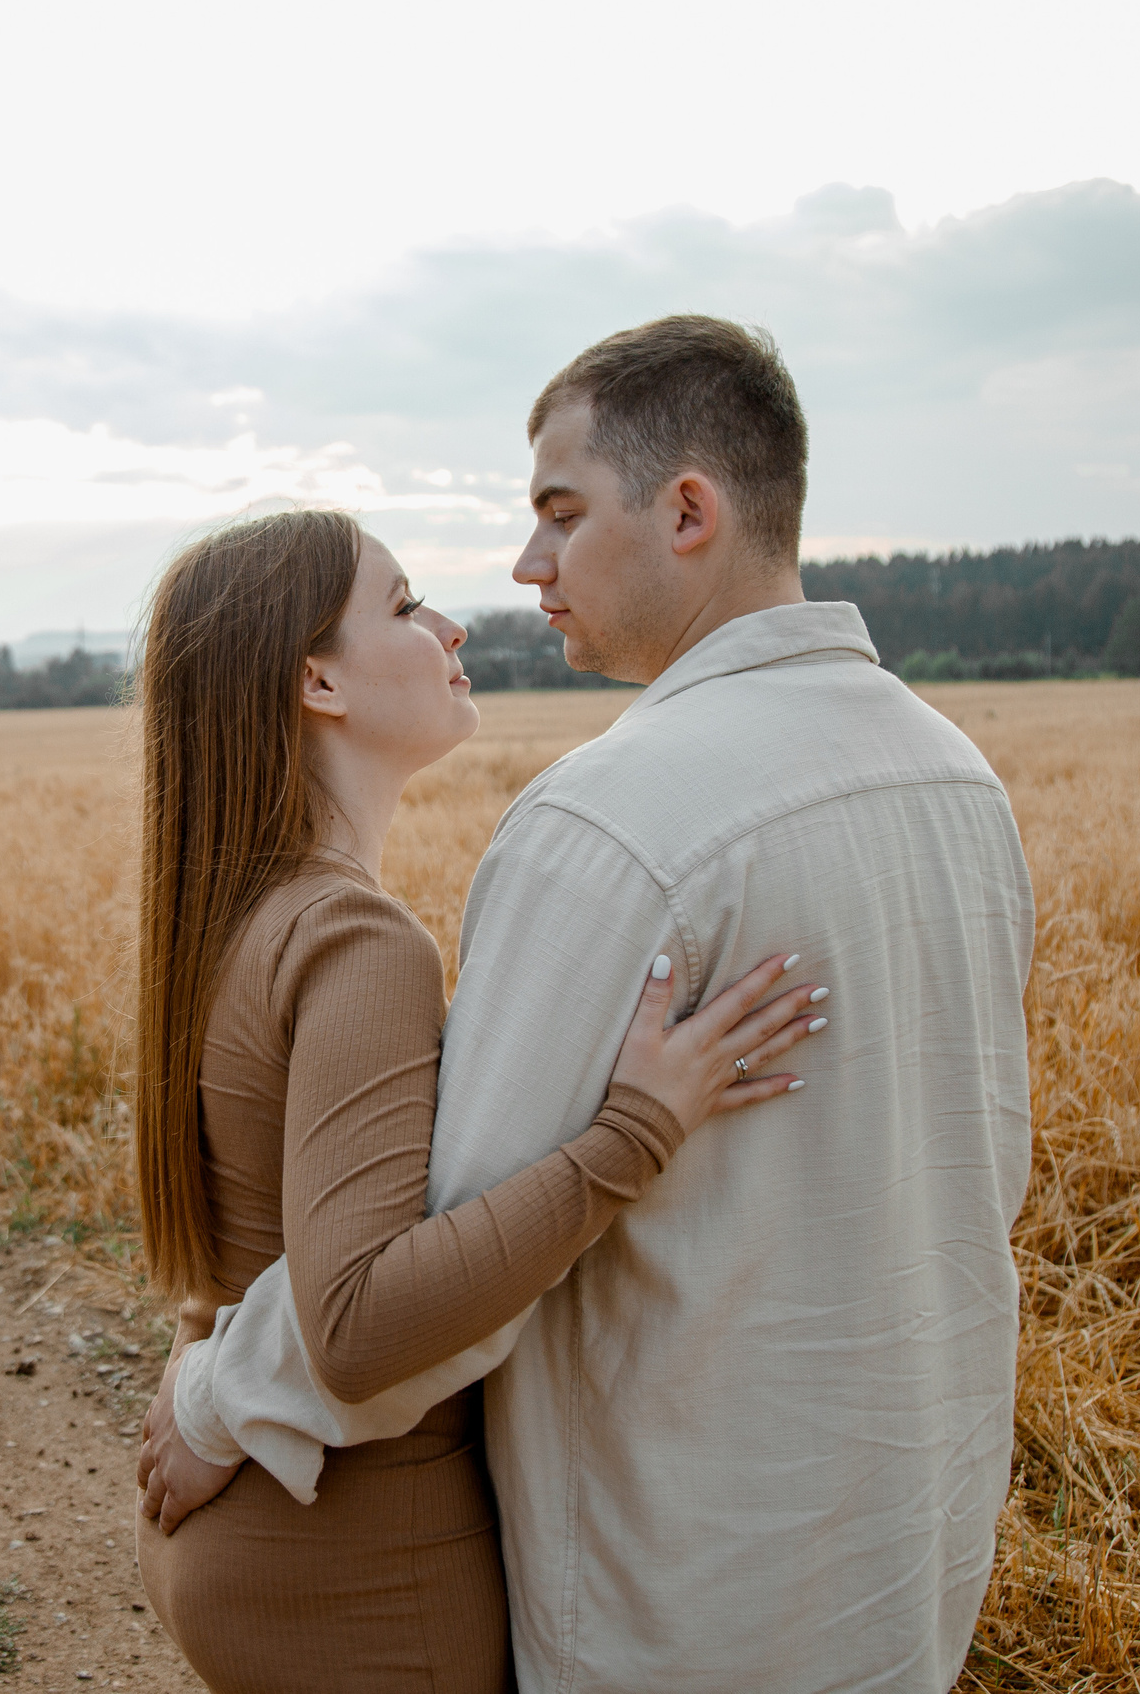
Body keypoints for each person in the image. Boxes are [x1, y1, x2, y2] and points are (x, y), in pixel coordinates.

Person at [141, 316, 1036, 1693]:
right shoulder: (961, 782)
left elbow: (408, 1304)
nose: (522, 566)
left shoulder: (610, 820)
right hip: (902, 1563)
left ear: (687, 510)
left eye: (560, 513)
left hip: (676, 1590)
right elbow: (986, 1183)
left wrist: (212, 1394)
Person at [127, 505, 828, 1693]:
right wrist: (635, 1132)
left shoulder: (238, 916)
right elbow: (356, 1328)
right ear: (317, 681)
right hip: (360, 1570)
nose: (449, 623)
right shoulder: (357, 940)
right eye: (401, 605)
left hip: (259, 1535)